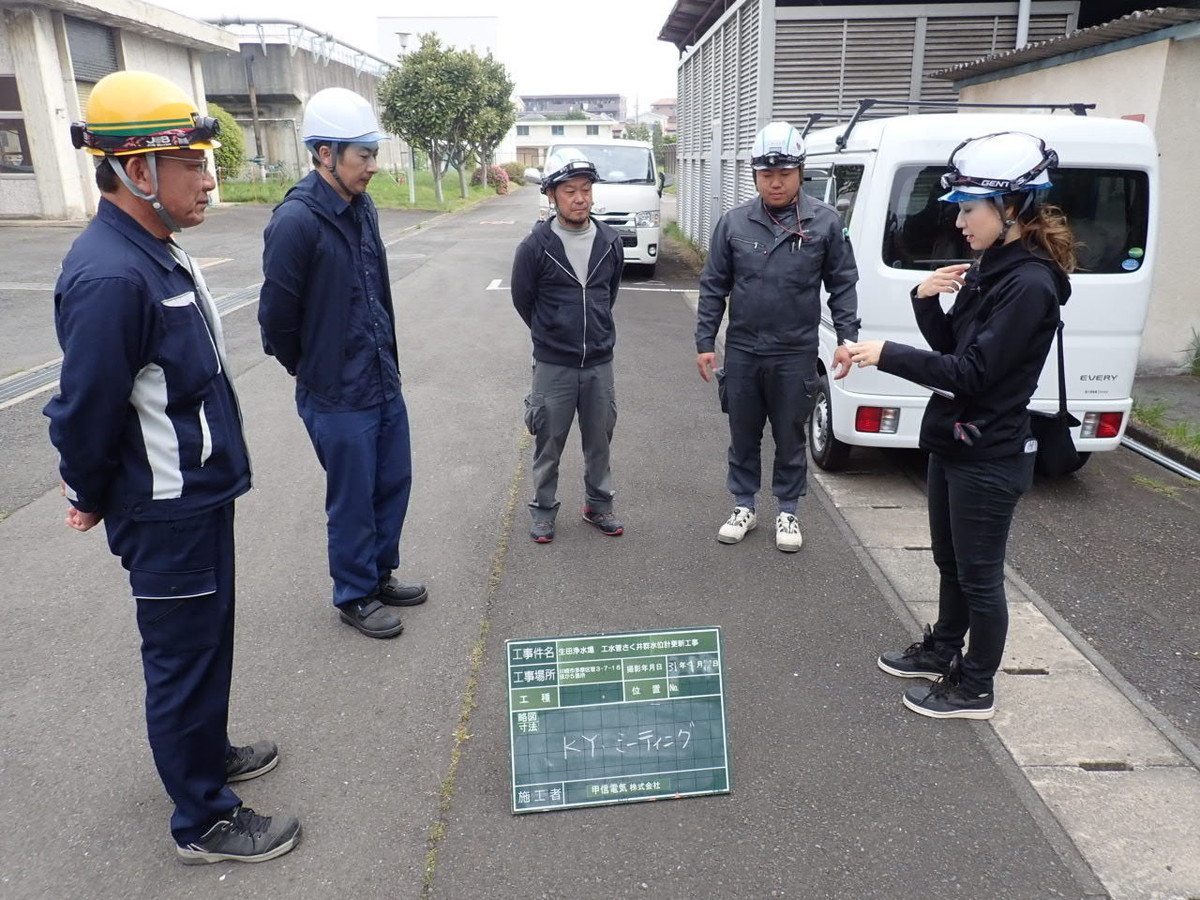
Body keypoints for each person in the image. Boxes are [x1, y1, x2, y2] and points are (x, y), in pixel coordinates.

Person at [44, 70, 300, 863]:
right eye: (190, 162)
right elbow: (85, 408)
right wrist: (89, 492)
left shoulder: (154, 251)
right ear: (135, 170)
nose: (208, 177)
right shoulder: (111, 274)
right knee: (181, 658)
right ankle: (202, 820)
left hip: (198, 494)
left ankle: (204, 752)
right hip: (164, 511)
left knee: (208, 640)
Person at [845, 131, 1075, 720]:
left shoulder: (1028, 284)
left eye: (970, 209)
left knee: (979, 576)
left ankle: (975, 687)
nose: (960, 222)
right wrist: (925, 300)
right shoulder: (991, 268)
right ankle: (944, 648)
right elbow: (953, 352)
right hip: (957, 441)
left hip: (991, 453)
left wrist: (885, 352)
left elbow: (970, 374)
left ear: (1011, 208)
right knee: (950, 564)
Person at [259, 87, 427, 639]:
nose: (373, 167)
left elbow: (375, 288)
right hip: (335, 391)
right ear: (325, 153)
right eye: (363, 156)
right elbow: (276, 319)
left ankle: (379, 574)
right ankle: (353, 593)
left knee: (391, 482)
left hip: (381, 378)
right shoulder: (297, 221)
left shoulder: (363, 207)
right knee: (352, 498)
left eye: (374, 154)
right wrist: (313, 370)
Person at [695, 121, 860, 552]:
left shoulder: (825, 224)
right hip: (745, 350)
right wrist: (704, 342)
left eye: (784, 173)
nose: (775, 182)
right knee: (743, 433)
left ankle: (788, 511)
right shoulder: (733, 224)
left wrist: (846, 337)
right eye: (766, 174)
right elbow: (714, 285)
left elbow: (842, 283)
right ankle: (743, 505)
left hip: (795, 351)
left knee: (790, 435)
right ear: (754, 176)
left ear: (800, 172)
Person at [511, 155, 626, 544]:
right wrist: (554, 332)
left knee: (600, 442)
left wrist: (591, 330)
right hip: (553, 364)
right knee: (548, 442)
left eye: (586, 190)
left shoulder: (610, 241)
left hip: (599, 363)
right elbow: (523, 299)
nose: (580, 198)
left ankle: (598, 506)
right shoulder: (535, 246)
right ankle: (543, 510)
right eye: (570, 191)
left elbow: (607, 295)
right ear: (552, 196)